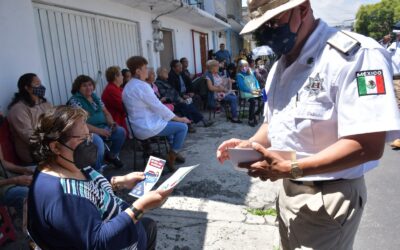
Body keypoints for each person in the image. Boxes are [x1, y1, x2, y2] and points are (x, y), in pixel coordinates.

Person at [217, 1, 400, 249]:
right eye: (263, 26)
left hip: (327, 198)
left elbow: (368, 145)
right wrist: (249, 145)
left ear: (303, 9)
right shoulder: (280, 66)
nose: (268, 31)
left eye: (274, 22)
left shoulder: (356, 55)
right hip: (288, 190)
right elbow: (275, 124)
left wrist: (292, 168)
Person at [28, 105, 172, 249]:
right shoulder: (64, 197)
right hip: (116, 240)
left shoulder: (69, 163)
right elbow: (97, 242)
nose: (89, 143)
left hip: (128, 233)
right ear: (55, 147)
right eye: (82, 139)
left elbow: (88, 189)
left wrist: (119, 182)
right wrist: (140, 207)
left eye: (89, 135)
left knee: (148, 227)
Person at [122, 56, 190, 171]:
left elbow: (154, 107)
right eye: (145, 68)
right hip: (146, 126)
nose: (147, 70)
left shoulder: (129, 85)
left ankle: (173, 151)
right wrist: (179, 119)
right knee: (182, 127)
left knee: (169, 122)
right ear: (138, 71)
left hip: (136, 126)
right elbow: (158, 107)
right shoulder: (142, 86)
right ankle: (172, 155)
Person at [68, 75, 126, 169]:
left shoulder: (95, 98)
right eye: (84, 85)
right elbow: (81, 123)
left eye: (90, 85)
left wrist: (111, 123)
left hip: (103, 127)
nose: (88, 88)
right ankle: (97, 171)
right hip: (86, 132)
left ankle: (111, 156)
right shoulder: (75, 101)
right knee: (98, 143)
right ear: (78, 88)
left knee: (120, 132)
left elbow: (106, 113)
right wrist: (100, 131)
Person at [8, 73, 52, 165]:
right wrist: (53, 139)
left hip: (51, 145)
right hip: (33, 154)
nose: (40, 86)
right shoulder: (18, 109)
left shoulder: (45, 103)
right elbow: (29, 136)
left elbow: (55, 120)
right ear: (27, 88)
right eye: (36, 84)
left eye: (40, 83)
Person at [102, 66, 128, 134]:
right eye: (121, 75)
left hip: (121, 120)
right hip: (116, 122)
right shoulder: (111, 90)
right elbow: (124, 107)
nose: (123, 77)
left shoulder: (117, 88)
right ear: (116, 76)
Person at [236, 59, 262, 127]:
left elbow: (256, 82)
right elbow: (242, 87)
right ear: (239, 67)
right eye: (242, 66)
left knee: (265, 98)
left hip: (253, 91)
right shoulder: (239, 75)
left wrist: (258, 88)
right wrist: (250, 91)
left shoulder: (251, 72)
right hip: (246, 93)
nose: (244, 67)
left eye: (246, 66)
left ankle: (256, 114)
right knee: (253, 101)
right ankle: (250, 119)